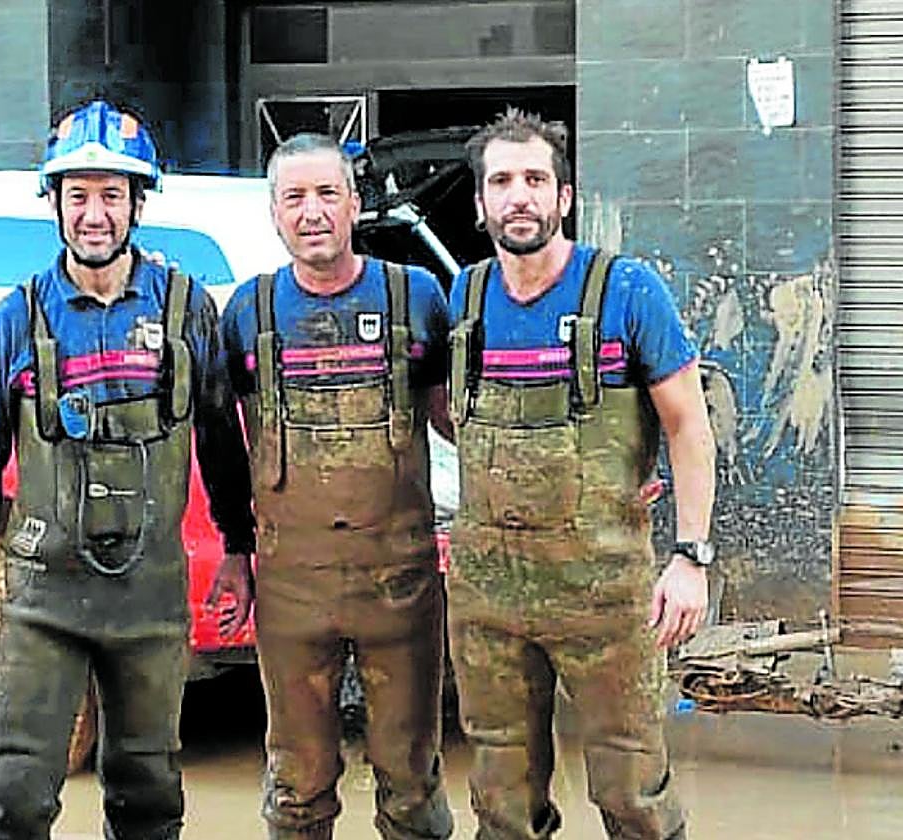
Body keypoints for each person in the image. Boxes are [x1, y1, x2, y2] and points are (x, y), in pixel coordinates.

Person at [0, 99, 256, 840]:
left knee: (149, 797)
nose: (94, 215)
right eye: (77, 195)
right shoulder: (16, 319)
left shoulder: (187, 311)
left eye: (112, 195)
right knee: (16, 796)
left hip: (151, 599)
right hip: (45, 599)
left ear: (139, 204)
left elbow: (220, 440)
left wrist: (239, 550)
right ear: (53, 203)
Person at [445, 108, 716, 840]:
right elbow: (450, 416)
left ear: (564, 197)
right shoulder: (465, 298)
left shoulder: (627, 291)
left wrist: (691, 557)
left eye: (536, 179)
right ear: (480, 204)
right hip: (488, 598)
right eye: (502, 181)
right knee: (501, 800)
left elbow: (689, 427)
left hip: (605, 597)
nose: (519, 196)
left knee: (632, 791)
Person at [208, 133, 454, 840]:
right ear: (274, 213)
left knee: (411, 780)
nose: (311, 212)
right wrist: (236, 551)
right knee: (297, 783)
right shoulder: (248, 313)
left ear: (353, 203)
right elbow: (224, 444)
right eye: (294, 197)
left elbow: (460, 421)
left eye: (326, 194)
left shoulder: (416, 298)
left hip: (400, 584)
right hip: (292, 588)